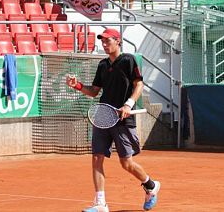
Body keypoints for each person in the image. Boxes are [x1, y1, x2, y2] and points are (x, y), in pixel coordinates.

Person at [66, 28, 160, 212]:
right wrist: (76, 85)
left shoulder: (128, 60)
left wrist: (128, 104)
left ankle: (150, 186)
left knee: (126, 164)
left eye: (108, 40)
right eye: (103, 41)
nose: (104, 44)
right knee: (96, 157)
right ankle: (100, 203)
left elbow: (138, 84)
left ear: (118, 41)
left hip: (122, 118)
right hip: (103, 115)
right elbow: (94, 91)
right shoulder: (102, 65)